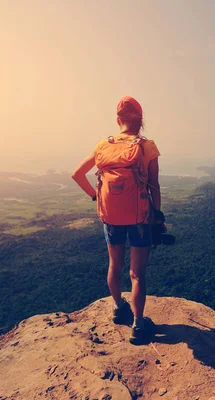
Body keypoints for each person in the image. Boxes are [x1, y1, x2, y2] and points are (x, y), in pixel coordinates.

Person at [72, 96, 161, 344]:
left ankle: (119, 308)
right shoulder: (147, 146)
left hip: (110, 217)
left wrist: (94, 196)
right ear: (141, 121)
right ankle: (138, 325)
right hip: (140, 218)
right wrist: (157, 216)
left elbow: (77, 174)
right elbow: (154, 184)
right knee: (137, 273)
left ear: (118, 120)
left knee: (115, 265)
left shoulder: (104, 145)